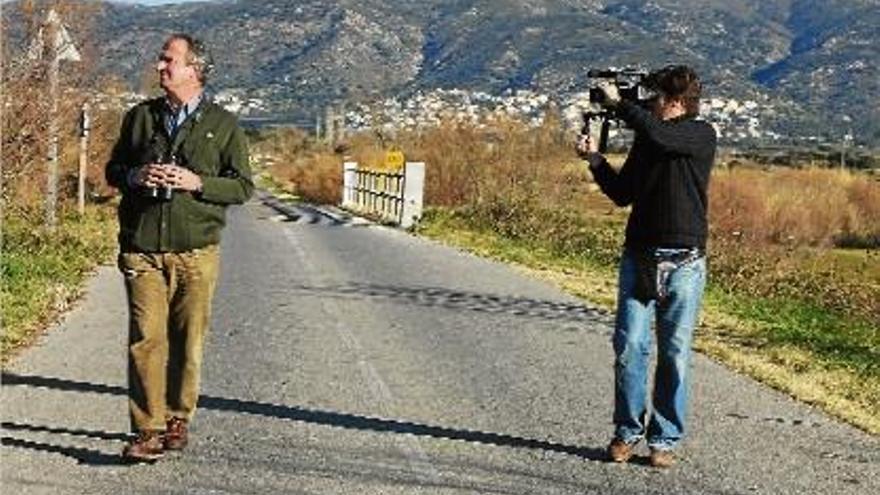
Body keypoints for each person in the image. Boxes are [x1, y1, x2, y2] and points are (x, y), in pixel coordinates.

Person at [105, 33, 254, 462]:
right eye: (161, 59)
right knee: (146, 339)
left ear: (194, 69)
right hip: (143, 248)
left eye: (168, 60)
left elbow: (243, 187)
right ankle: (146, 429)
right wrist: (134, 177)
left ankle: (177, 417)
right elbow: (114, 169)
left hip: (196, 251)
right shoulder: (139, 118)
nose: (159, 66)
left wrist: (198, 183)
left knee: (187, 340)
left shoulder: (223, 125)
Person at [576, 65, 716, 468]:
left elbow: (662, 136)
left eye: (653, 98)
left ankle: (665, 438)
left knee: (674, 354)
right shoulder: (651, 139)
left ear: (674, 102)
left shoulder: (699, 134)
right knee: (629, 348)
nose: (648, 105)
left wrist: (621, 105)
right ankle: (627, 432)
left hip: (684, 263)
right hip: (639, 257)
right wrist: (597, 161)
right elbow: (623, 195)